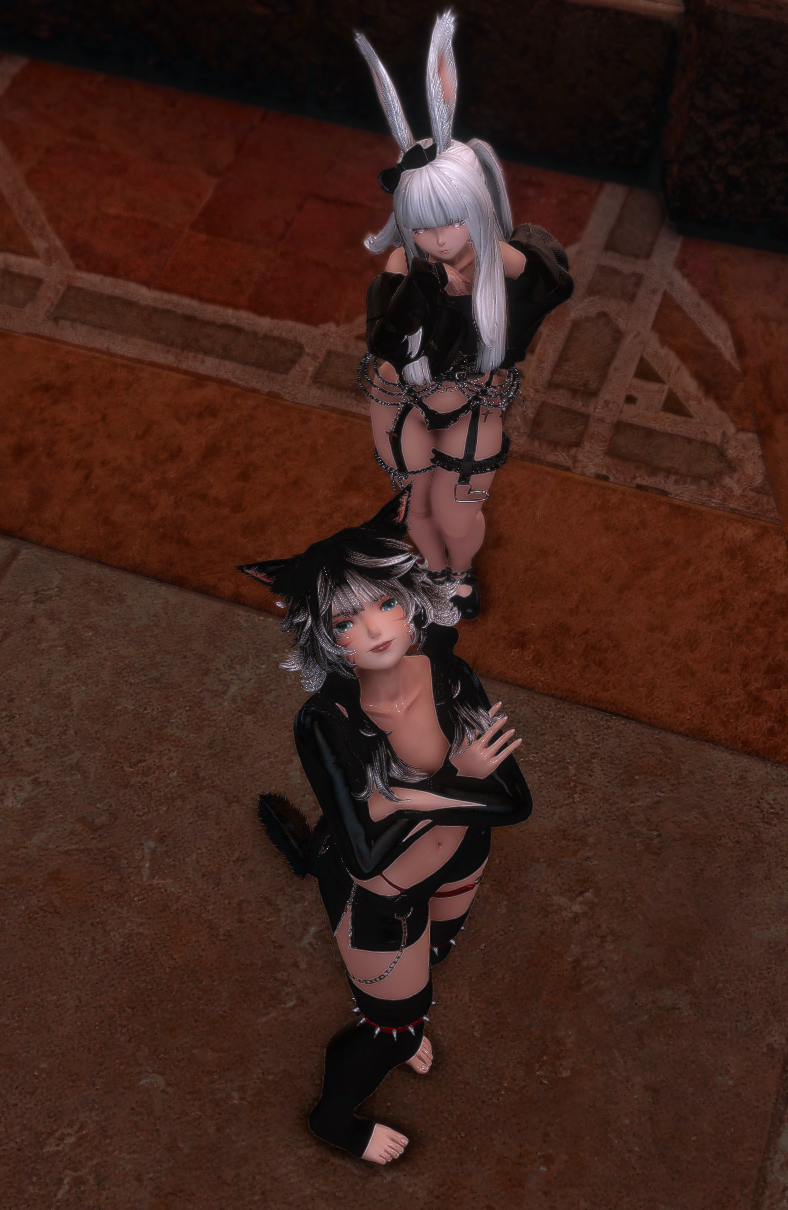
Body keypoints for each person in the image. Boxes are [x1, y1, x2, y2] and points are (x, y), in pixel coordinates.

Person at [237, 487, 533, 1164]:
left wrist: (404, 798)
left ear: (409, 597)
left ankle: (405, 1012)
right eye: (346, 621)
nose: (375, 630)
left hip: (464, 856)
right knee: (390, 1032)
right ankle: (336, 1118)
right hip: (380, 901)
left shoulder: (451, 673)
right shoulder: (324, 721)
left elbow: (514, 804)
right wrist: (454, 778)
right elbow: (366, 857)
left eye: (385, 604)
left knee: (439, 951)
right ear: (322, 636)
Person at [356, 10, 574, 619]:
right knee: (415, 507)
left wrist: (492, 253)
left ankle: (458, 573)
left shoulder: (508, 268)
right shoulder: (404, 265)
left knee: (457, 515)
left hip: (474, 402)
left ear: (475, 208)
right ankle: (431, 574)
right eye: (421, 225)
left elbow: (551, 279)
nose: (436, 238)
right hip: (397, 396)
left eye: (451, 220)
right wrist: (417, 284)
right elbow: (384, 341)